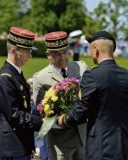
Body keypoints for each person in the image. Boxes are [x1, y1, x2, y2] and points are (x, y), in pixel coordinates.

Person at [57, 31, 128, 160]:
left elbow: (81, 110)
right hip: (123, 142)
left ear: (96, 49)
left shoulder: (92, 75)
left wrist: (64, 119)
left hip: (101, 144)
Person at [33, 31, 88, 160]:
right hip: (59, 142)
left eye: (64, 52)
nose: (62, 57)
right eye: (57, 54)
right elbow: (40, 111)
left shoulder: (82, 68)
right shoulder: (40, 78)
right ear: (48, 55)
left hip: (83, 136)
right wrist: (62, 120)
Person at [0, 26, 43, 160]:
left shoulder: (15, 74)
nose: (30, 56)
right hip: (11, 147)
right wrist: (40, 122)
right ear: (14, 50)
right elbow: (14, 114)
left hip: (19, 143)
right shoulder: (5, 78)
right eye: (27, 52)